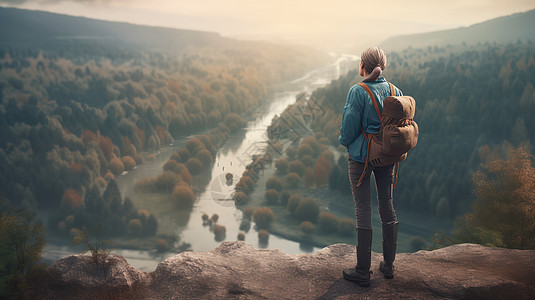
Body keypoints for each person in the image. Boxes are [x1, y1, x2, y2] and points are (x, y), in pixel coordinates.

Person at [339, 47, 402, 287]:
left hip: (361, 158)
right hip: (387, 157)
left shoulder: (358, 90)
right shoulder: (396, 90)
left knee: (363, 208)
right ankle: (388, 266)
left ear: (362, 65)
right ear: (383, 66)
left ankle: (362, 271)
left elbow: (349, 128)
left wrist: (345, 143)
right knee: (387, 204)